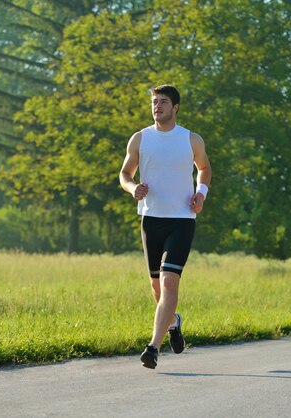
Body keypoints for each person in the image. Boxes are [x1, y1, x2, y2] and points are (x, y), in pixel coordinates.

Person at [119, 85, 211, 369]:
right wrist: (133, 188)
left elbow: (205, 168)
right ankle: (173, 322)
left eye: (163, 102)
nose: (157, 106)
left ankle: (153, 348)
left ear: (176, 107)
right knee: (157, 287)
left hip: (182, 220)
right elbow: (125, 173)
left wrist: (201, 194)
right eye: (154, 102)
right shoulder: (140, 138)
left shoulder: (191, 139)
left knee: (170, 281)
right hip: (151, 219)